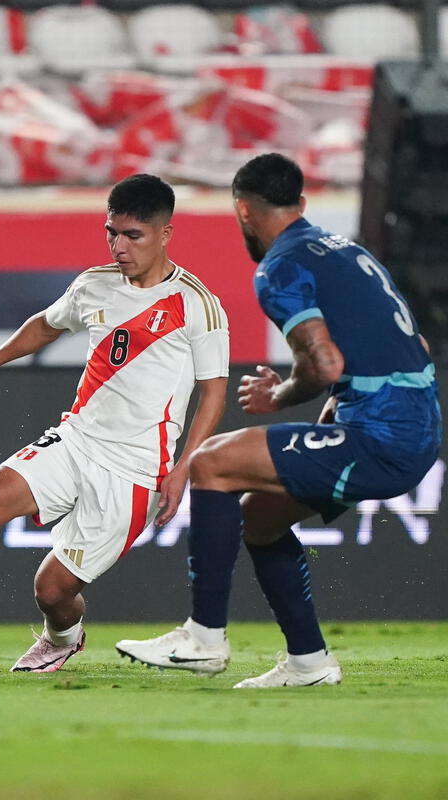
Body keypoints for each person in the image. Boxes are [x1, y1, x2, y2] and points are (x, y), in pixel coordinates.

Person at [0, 173, 230, 673]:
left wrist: (184, 467)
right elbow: (46, 325)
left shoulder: (198, 305)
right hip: (76, 438)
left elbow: (214, 393)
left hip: (135, 470)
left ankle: (63, 636)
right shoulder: (94, 284)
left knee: (52, 591)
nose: (119, 245)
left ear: (165, 235)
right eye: (111, 232)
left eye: (132, 235)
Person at [116, 153, 442, 687]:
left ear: (243, 210)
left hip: (381, 437)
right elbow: (413, 345)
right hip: (415, 427)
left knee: (211, 462)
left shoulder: (280, 268)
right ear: (302, 204)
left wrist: (280, 396)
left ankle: (203, 637)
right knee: (260, 521)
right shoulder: (349, 254)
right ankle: (309, 662)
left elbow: (325, 363)